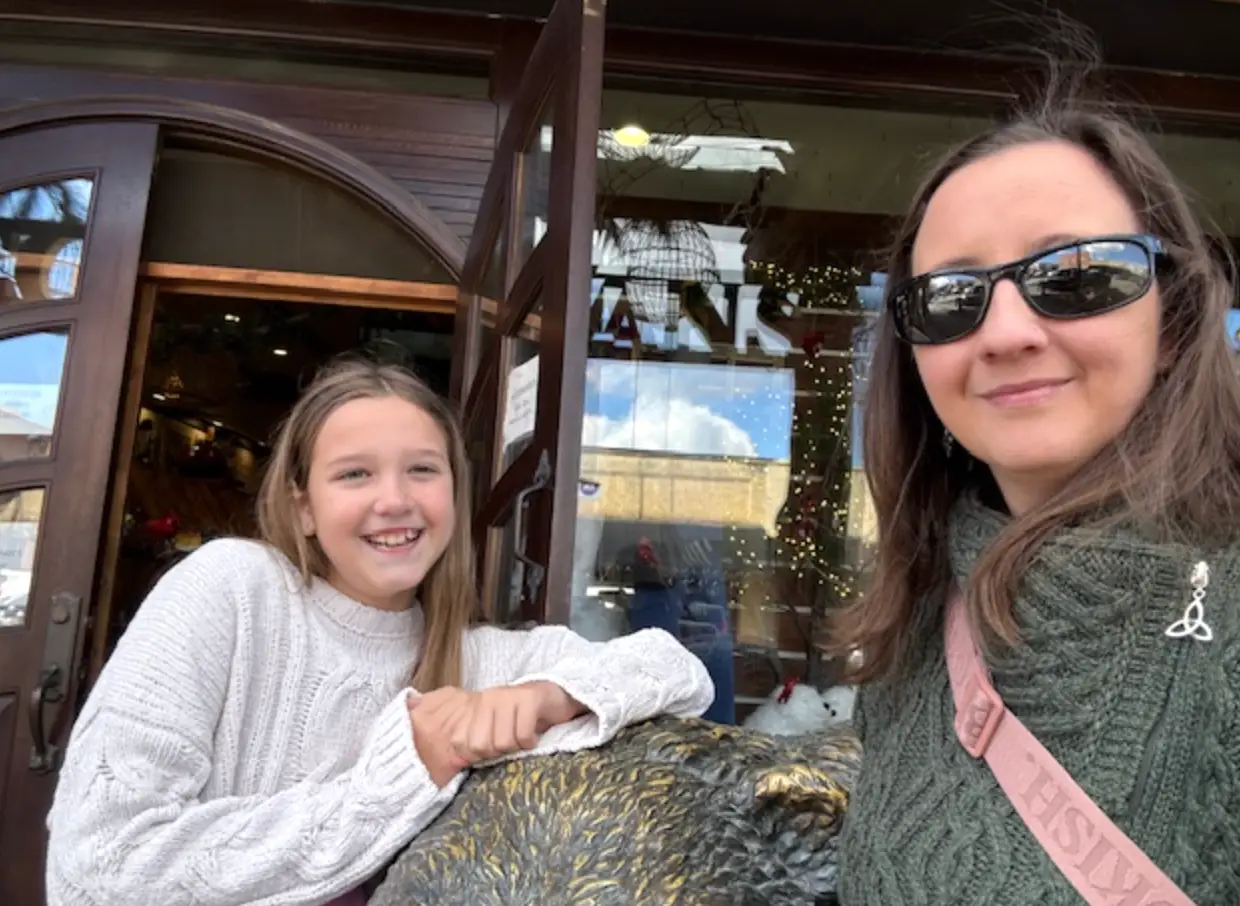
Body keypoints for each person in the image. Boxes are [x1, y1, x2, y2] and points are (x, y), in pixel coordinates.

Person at [44, 358, 715, 906]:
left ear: (453, 495)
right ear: (303, 506)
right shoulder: (231, 589)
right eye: (354, 474)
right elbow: (98, 871)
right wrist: (406, 769)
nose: (394, 500)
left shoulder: (477, 656)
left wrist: (546, 694)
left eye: (423, 469)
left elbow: (678, 671)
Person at [830, 64, 1240, 905]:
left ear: (1174, 323)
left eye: (1078, 274)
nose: (1007, 332)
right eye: (950, 297)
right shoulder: (916, 625)